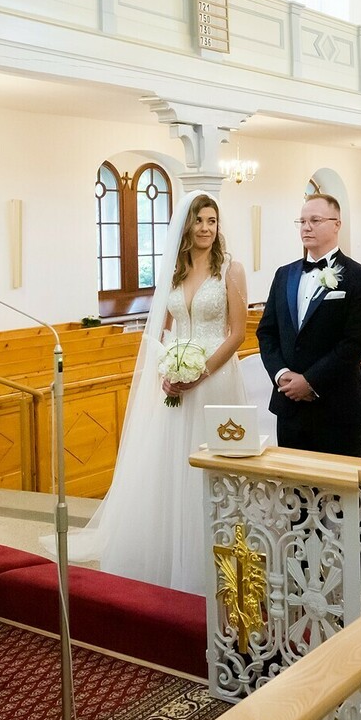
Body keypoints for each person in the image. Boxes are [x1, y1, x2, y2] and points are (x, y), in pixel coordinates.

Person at [70, 192, 249, 595]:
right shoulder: (172, 272)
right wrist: (166, 374)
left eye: (212, 221)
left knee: (212, 465)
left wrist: (199, 372)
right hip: (176, 379)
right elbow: (161, 332)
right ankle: (170, 552)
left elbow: (237, 334)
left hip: (215, 379)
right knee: (171, 466)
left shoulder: (230, 271)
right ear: (186, 226)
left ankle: (213, 553)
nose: (206, 228)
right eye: (199, 220)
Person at [256, 192, 361, 456]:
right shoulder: (284, 275)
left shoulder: (360, 278)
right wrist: (281, 376)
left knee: (339, 492)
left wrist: (310, 381)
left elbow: (355, 343)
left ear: (337, 224)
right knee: (294, 491)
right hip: (289, 404)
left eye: (315, 220)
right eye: (301, 221)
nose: (306, 227)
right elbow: (267, 333)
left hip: (337, 405)